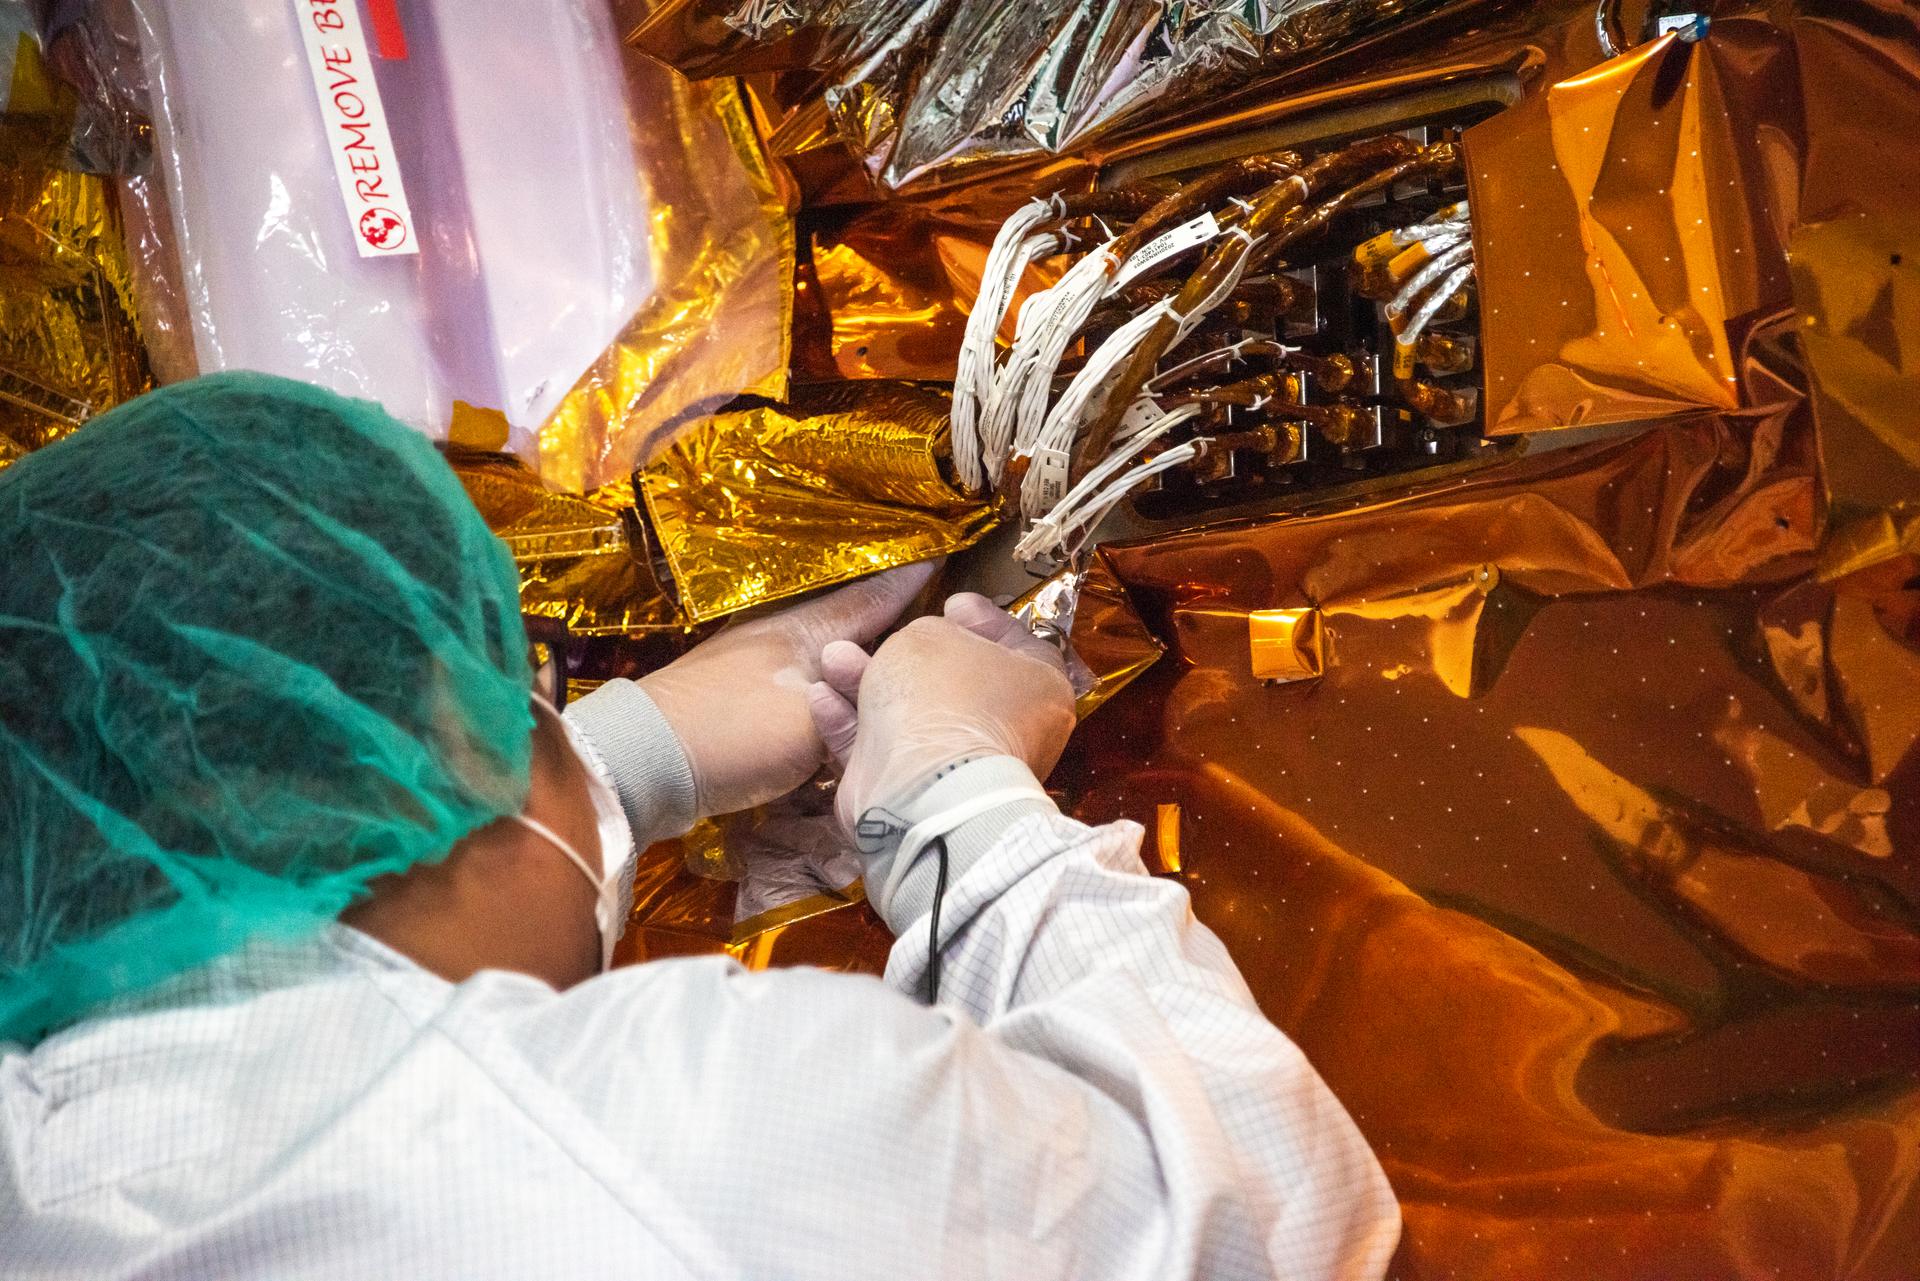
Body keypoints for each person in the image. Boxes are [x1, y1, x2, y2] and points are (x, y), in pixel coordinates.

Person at [0, 373, 1398, 1279]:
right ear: (425, 778)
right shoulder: (689, 1130)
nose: (551, 719)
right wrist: (964, 793)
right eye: (522, 691)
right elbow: (1270, 1215)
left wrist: (631, 759)